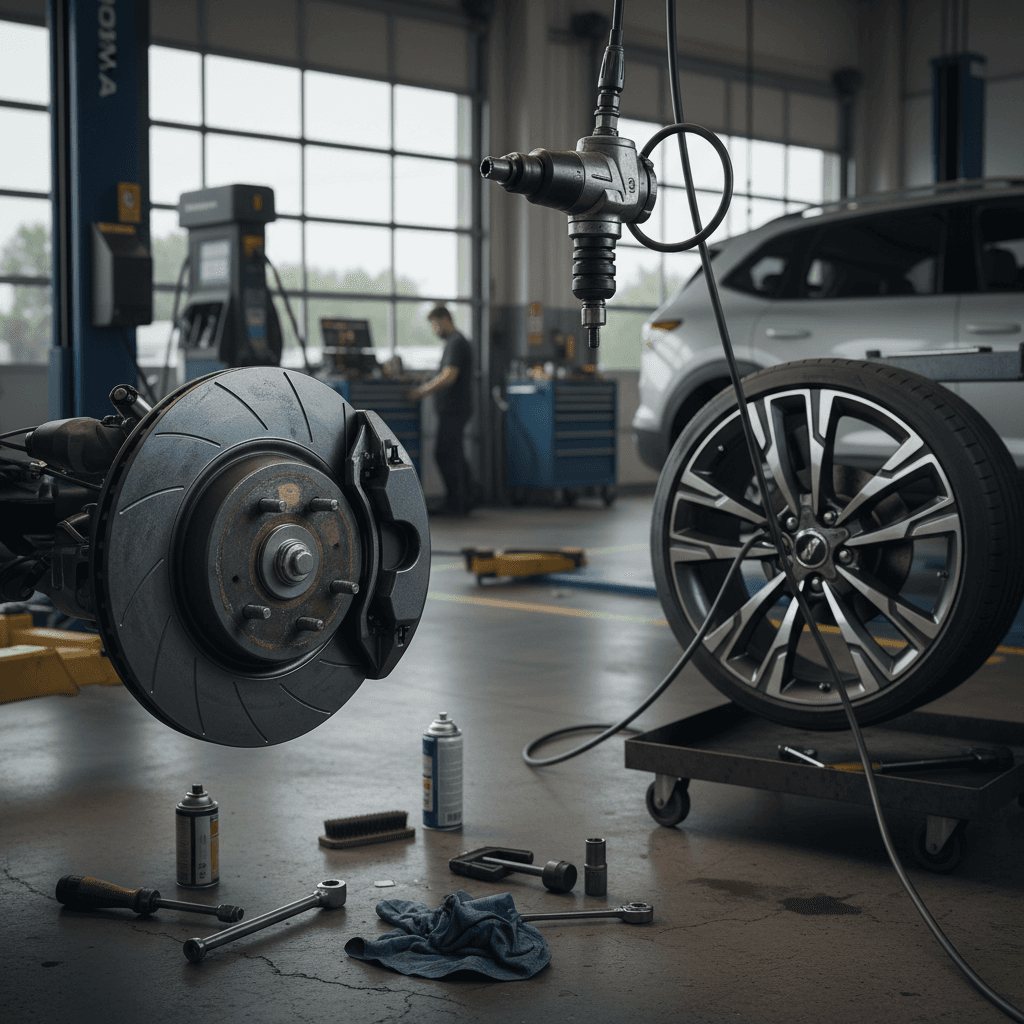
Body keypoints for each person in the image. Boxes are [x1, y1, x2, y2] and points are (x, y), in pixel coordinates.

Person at [408, 305, 475, 515]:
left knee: (444, 453)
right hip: (455, 409)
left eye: (435, 325)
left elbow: (449, 375)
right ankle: (467, 500)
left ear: (444, 319)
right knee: (455, 454)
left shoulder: (456, 343)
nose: (435, 330)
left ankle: (456, 504)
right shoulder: (456, 342)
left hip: (454, 409)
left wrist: (422, 391)